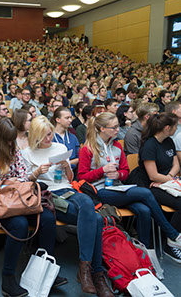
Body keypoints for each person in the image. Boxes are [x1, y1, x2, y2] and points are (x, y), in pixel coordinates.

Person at [0, 117, 65, 297]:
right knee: (19, 225)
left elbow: (24, 177)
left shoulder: (14, 150)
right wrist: (10, 182)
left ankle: (44, 270)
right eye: (7, 140)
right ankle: (8, 279)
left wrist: (6, 184)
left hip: (17, 200)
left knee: (46, 218)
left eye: (12, 139)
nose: (10, 143)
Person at [21, 116, 112, 296]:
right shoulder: (27, 153)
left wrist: (66, 166)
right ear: (35, 136)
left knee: (86, 201)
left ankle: (85, 268)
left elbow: (70, 180)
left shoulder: (60, 148)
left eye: (50, 134)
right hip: (48, 194)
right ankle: (96, 272)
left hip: (67, 189)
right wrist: (37, 172)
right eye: (44, 136)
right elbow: (25, 183)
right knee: (96, 219)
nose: (49, 139)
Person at [78, 112, 181, 249]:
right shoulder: (88, 148)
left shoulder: (117, 146)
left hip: (118, 188)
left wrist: (118, 175)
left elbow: (125, 173)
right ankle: (172, 234)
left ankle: (144, 250)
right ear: (102, 129)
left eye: (118, 126)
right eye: (114, 128)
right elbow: (82, 178)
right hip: (98, 191)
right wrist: (102, 171)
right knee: (145, 193)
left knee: (144, 210)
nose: (118, 130)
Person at [132, 113, 181, 262]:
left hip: (165, 182)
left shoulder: (168, 141)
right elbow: (152, 176)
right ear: (167, 128)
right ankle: (171, 243)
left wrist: (169, 178)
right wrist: (169, 180)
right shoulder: (149, 145)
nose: (177, 128)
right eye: (175, 126)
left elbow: (176, 164)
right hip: (149, 186)